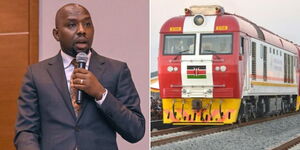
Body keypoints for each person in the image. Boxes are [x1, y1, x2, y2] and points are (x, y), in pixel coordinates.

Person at [14, 3, 145, 150]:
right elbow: (26, 131)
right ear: (56, 34)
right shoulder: (36, 74)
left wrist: (101, 94)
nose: (82, 31)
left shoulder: (117, 70)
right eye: (72, 25)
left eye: (87, 24)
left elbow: (136, 131)